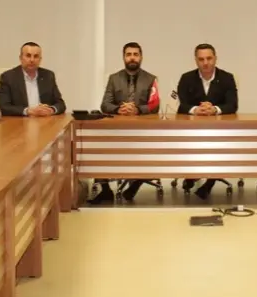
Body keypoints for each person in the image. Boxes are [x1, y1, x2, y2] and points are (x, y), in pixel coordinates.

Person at [90, 42, 160, 204]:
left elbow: (154, 105)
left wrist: (137, 110)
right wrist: (119, 109)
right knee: (95, 146)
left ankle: (136, 182)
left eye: (135, 54)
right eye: (128, 54)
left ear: (141, 57)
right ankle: (105, 190)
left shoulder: (151, 79)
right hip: (117, 129)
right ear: (123, 57)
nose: (132, 58)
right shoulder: (114, 78)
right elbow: (105, 104)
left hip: (143, 131)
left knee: (152, 150)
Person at [176, 43, 238, 199]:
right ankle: (191, 175)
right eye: (201, 59)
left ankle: (209, 184)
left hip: (220, 130)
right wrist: (195, 110)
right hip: (192, 131)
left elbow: (232, 105)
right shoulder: (186, 78)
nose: (205, 63)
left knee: (220, 150)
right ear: (196, 60)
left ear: (215, 59)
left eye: (209, 58)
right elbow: (181, 105)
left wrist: (214, 109)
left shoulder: (227, 78)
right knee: (188, 146)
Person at [0, 42, 66, 117]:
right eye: (28, 55)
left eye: (36, 56)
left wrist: (51, 110)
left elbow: (61, 104)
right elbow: (4, 107)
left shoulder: (48, 76)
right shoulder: (8, 77)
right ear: (20, 58)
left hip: (44, 120)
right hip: (20, 121)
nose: (32, 60)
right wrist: (27, 111)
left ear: (40, 59)